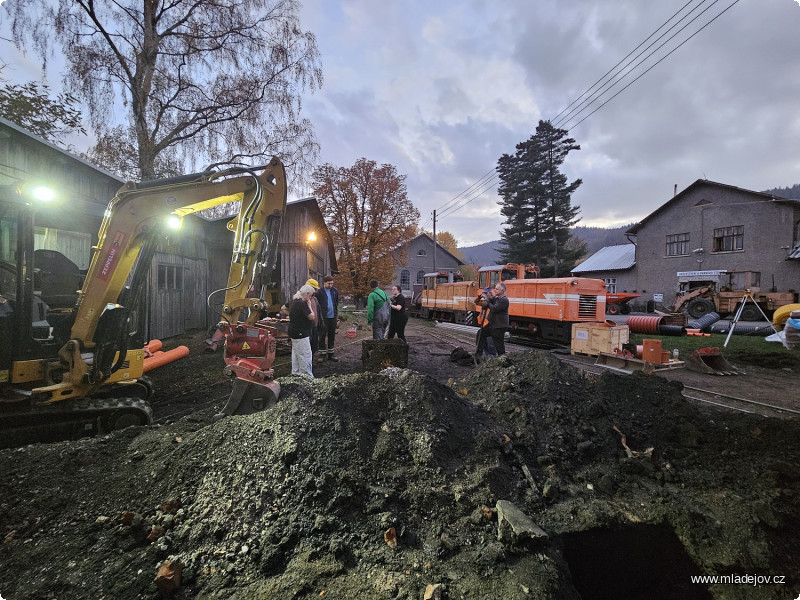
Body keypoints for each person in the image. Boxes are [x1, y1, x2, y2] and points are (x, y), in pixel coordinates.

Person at [288, 284, 316, 377]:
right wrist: (309, 305)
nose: (310, 298)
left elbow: (283, 308)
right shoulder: (301, 303)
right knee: (305, 355)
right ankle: (306, 376)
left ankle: (295, 374)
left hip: (293, 332)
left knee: (296, 354)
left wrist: (294, 315)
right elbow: (312, 316)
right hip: (302, 333)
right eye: (311, 295)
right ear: (307, 294)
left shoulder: (293, 301)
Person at [315, 275, 340, 361]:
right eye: (329, 283)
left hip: (332, 316)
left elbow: (336, 302)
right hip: (323, 317)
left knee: (331, 335)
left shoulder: (335, 291)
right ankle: (322, 354)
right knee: (322, 335)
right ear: (324, 283)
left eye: (332, 284)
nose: (330, 285)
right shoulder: (319, 292)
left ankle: (331, 353)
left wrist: (336, 315)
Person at [487, 282, 510, 355]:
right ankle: (486, 354)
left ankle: (502, 358)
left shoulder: (504, 300)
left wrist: (487, 304)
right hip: (494, 324)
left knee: (498, 343)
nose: (495, 290)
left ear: (502, 291)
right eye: (495, 288)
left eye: (497, 289)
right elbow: (489, 299)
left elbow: (494, 308)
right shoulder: (496, 298)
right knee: (481, 334)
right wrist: (485, 298)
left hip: (500, 325)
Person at [476, 286, 497, 360]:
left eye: (485, 293)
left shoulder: (493, 301)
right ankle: (487, 355)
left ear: (490, 293)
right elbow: (477, 302)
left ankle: (493, 356)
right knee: (484, 342)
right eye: (483, 292)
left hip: (489, 325)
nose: (484, 294)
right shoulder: (485, 301)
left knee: (490, 343)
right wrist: (479, 297)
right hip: (483, 325)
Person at [305, 278, 324, 360]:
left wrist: (321, 322)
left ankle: (311, 362)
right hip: (307, 327)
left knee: (314, 346)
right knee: (307, 348)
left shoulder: (315, 299)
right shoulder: (302, 299)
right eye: (315, 289)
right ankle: (307, 364)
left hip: (315, 326)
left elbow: (318, 312)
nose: (316, 291)